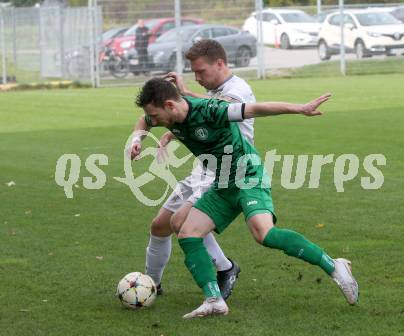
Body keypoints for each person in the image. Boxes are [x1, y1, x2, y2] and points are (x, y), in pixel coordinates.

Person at [133, 77, 359, 319]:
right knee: (188, 233)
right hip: (222, 184)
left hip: (248, 176)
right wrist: (137, 140)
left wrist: (300, 108)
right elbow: (143, 122)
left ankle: (335, 266)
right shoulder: (166, 114)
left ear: (169, 105)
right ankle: (214, 300)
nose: (153, 121)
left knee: (264, 234)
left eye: (155, 116)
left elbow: (255, 109)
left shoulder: (211, 110)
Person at [130, 39, 256, 299]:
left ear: (219, 63)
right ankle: (150, 286)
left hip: (227, 169)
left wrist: (182, 93)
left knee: (183, 223)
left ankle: (226, 268)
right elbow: (192, 120)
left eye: (201, 71)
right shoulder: (211, 91)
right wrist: (140, 139)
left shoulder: (237, 90)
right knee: (160, 226)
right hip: (203, 168)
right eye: (194, 72)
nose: (197, 77)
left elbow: (216, 111)